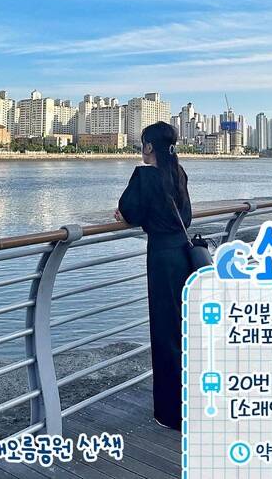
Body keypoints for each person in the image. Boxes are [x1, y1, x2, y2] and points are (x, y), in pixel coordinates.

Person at [114, 121, 192, 430]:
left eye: (142, 143)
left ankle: (173, 413)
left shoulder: (144, 176)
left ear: (149, 146)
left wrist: (127, 216)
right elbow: (185, 216)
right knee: (183, 331)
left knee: (165, 334)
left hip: (161, 258)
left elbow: (128, 211)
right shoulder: (178, 173)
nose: (141, 149)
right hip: (183, 256)